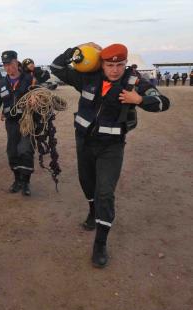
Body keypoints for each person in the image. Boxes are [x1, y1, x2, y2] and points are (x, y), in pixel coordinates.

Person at [50, 43, 170, 268]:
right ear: (101, 64)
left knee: (105, 192)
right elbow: (55, 67)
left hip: (111, 147)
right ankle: (92, 210)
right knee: (87, 183)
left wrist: (140, 100)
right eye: (109, 64)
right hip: (84, 142)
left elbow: (164, 103)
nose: (115, 70)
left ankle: (100, 243)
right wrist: (76, 50)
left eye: (119, 64)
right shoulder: (87, 77)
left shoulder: (134, 82)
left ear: (125, 64)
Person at [0, 51, 34, 196]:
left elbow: (42, 98)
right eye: (5, 65)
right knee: (12, 152)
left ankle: (26, 182)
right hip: (11, 123)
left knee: (25, 150)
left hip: (27, 122)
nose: (8, 67)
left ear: (17, 63)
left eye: (10, 64)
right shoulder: (2, 83)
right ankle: (17, 179)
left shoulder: (29, 80)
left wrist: (35, 101)